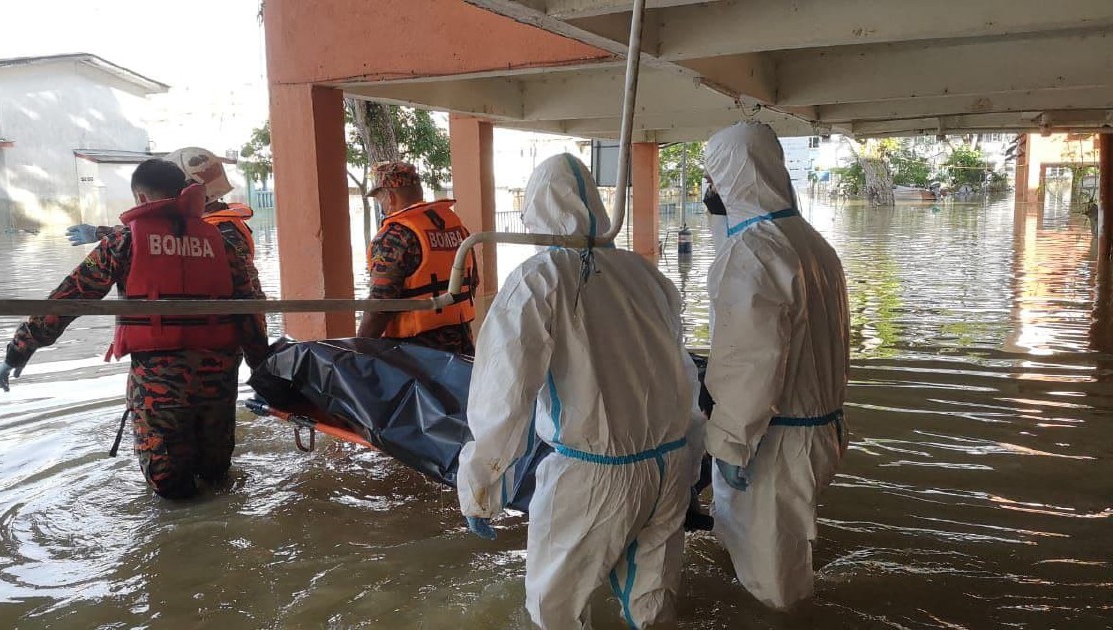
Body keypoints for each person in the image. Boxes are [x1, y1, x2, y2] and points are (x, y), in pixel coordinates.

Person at [456, 154, 705, 628]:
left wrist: (480, 486)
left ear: (536, 210)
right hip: (669, 466)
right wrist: (691, 461)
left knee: (555, 609)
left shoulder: (538, 278)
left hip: (597, 474)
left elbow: (504, 397)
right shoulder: (646, 274)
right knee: (652, 608)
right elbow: (680, 373)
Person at [0, 159, 269, 500]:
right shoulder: (224, 242)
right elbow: (252, 310)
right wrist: (263, 372)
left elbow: (70, 296)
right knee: (216, 473)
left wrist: (19, 349)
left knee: (169, 483)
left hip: (160, 378)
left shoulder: (123, 242)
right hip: (219, 375)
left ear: (141, 198)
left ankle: (179, 541)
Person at [701, 122, 851, 609]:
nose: (711, 192)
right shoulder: (815, 245)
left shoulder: (749, 253)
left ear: (731, 177)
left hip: (774, 441)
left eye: (713, 178)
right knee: (788, 550)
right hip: (821, 429)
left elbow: (749, 364)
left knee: (773, 589)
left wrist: (727, 443)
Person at [357, 161, 477, 354]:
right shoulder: (457, 228)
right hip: (462, 346)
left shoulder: (395, 237)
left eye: (380, 199)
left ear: (390, 196)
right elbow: (472, 282)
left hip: (417, 356)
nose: (381, 205)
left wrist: (357, 350)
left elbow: (380, 306)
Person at [66, 147, 257, 260]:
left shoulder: (214, 232)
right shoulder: (226, 225)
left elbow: (146, 237)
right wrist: (101, 232)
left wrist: (101, 235)